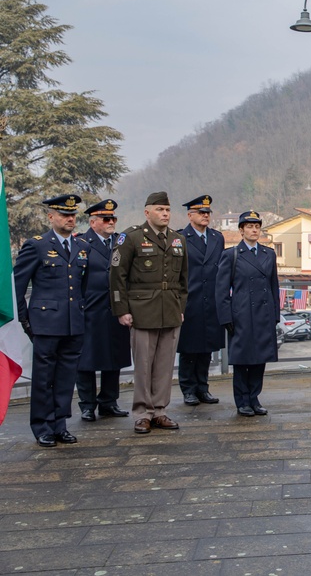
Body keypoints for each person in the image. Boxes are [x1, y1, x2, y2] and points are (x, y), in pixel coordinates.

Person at [13, 195, 90, 447]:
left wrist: (81, 316)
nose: (70, 219)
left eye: (73, 215)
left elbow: (83, 289)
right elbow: (18, 286)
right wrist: (27, 323)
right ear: (51, 217)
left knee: (67, 376)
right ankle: (42, 426)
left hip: (73, 324)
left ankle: (60, 424)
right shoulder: (37, 246)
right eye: (64, 215)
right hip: (45, 324)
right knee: (44, 378)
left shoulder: (81, 248)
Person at [109, 191, 188, 434]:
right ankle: (142, 413)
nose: (165, 214)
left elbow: (184, 279)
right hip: (142, 310)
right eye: (159, 210)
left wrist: (181, 307)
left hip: (170, 309)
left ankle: (160, 411)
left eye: (167, 210)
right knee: (143, 364)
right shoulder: (130, 237)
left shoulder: (177, 240)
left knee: (164, 365)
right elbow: (116, 276)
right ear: (147, 212)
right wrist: (122, 309)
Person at [216, 211, 280, 416]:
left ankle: (254, 398)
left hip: (263, 314)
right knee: (243, 360)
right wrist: (226, 317)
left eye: (257, 226)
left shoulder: (268, 254)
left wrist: (275, 314)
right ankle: (242, 401)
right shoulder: (231, 255)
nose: (254, 230)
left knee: (259, 360)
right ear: (241, 230)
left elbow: (273, 286)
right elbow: (221, 290)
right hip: (241, 314)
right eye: (249, 226)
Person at [76, 199, 131, 422]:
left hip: (115, 309)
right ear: (93, 222)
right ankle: (87, 405)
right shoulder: (82, 242)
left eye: (113, 219)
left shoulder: (120, 242)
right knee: (86, 361)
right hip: (91, 309)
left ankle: (109, 401)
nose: (111, 222)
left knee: (113, 357)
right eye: (106, 219)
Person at [177, 195, 226, 406]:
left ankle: (203, 387)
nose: (205, 216)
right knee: (189, 348)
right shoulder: (179, 238)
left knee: (207, 347)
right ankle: (188, 389)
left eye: (207, 213)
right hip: (190, 300)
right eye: (201, 213)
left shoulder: (217, 237)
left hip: (211, 300)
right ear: (190, 215)